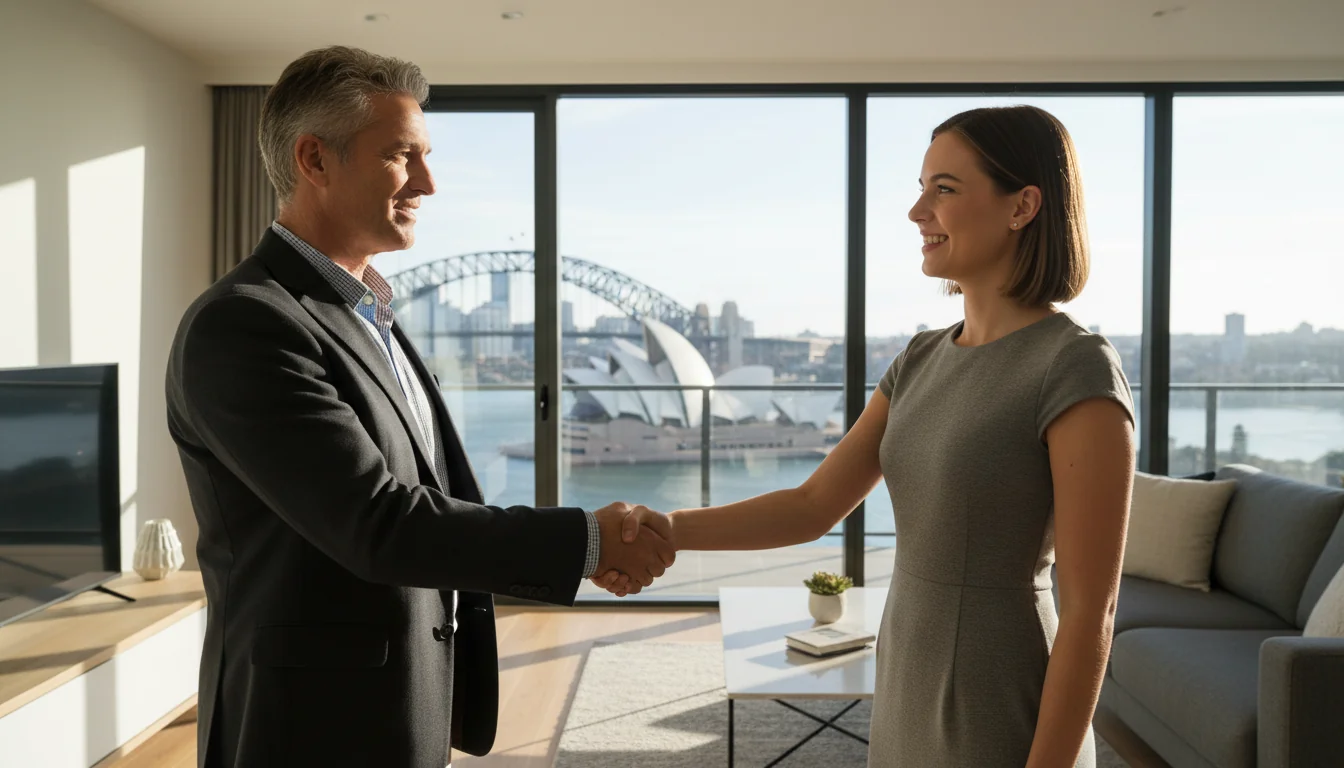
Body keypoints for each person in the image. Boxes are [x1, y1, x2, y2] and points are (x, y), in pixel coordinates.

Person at [165, 46, 673, 768]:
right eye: (403, 156)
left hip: (400, 697)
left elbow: (427, 493)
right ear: (315, 160)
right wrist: (586, 542)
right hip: (309, 726)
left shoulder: (369, 311)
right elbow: (378, 523)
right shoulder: (246, 324)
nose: (429, 183)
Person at [598, 105, 1135, 767]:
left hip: (999, 702)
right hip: (905, 672)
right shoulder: (919, 358)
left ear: (1023, 205)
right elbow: (812, 506)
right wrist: (666, 528)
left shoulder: (1074, 365)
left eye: (943, 189)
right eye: (920, 187)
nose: (916, 212)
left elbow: (1090, 612)